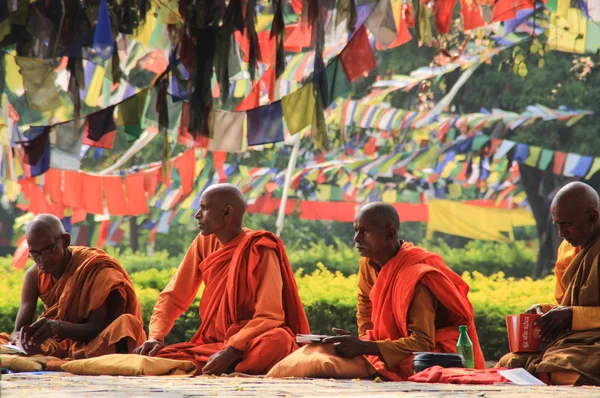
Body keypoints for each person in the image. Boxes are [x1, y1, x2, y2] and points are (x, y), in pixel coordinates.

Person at [268, 202, 485, 380]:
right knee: (315, 351)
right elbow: (365, 307)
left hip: (421, 357)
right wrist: (362, 342)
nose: (356, 239)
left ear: (390, 233)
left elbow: (422, 343)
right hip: (380, 349)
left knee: (320, 363)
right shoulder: (368, 263)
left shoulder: (417, 275)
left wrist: (366, 347)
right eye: (355, 231)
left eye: (364, 232)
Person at [134, 184, 310, 375]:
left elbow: (270, 315)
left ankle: (225, 365)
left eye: (204, 208)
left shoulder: (260, 248)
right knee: (158, 356)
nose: (197, 215)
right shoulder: (203, 241)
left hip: (247, 344)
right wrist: (156, 336)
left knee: (279, 341)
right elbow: (174, 295)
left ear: (227, 212)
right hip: (213, 345)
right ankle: (228, 366)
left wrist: (232, 350)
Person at [0, 214, 146, 358]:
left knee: (126, 324)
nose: (42, 259)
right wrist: (19, 339)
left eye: (49, 250)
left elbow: (98, 328)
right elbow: (17, 330)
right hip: (59, 343)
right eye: (35, 254)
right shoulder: (34, 276)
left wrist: (58, 327)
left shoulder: (95, 268)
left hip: (94, 343)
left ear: (65, 241)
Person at [497, 181, 600, 386]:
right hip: (571, 342)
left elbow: (572, 311)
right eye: (558, 225)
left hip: (591, 344)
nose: (561, 234)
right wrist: (545, 312)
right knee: (510, 362)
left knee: (568, 366)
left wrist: (572, 316)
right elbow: (564, 303)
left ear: (592, 217)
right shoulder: (567, 249)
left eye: (567, 225)